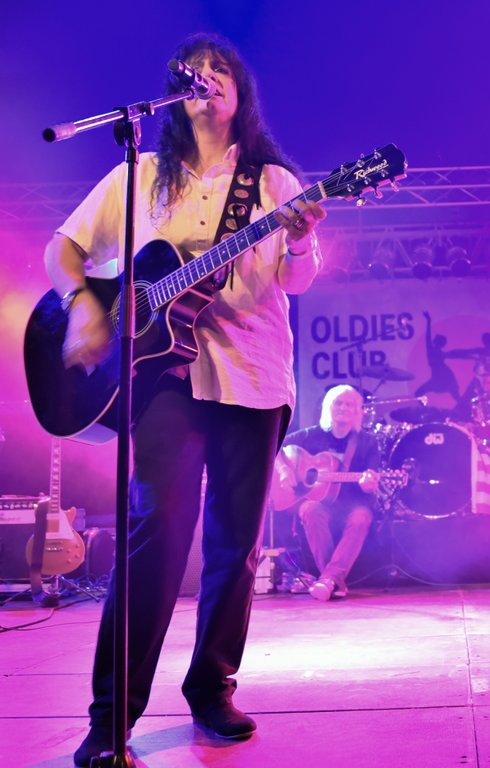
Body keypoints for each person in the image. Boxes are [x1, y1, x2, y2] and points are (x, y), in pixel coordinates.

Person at [48, 34, 326, 766]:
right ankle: (111, 719)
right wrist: (82, 304)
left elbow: (296, 281)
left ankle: (212, 688)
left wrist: (300, 241)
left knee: (235, 548)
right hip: (167, 382)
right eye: (193, 73)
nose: (206, 79)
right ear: (175, 95)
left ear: (240, 89)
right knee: (153, 537)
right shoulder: (140, 176)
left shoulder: (273, 183)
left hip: (253, 378)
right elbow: (63, 248)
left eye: (219, 69)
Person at [279, 384, 380, 601]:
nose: (343, 408)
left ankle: (328, 580)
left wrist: (368, 483)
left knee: (360, 518)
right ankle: (333, 581)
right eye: (338, 403)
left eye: (350, 404)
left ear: (358, 411)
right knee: (310, 509)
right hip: (321, 504)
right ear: (328, 407)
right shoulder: (310, 436)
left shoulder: (367, 442)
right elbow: (275, 446)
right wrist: (285, 470)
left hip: (353, 504)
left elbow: (372, 477)